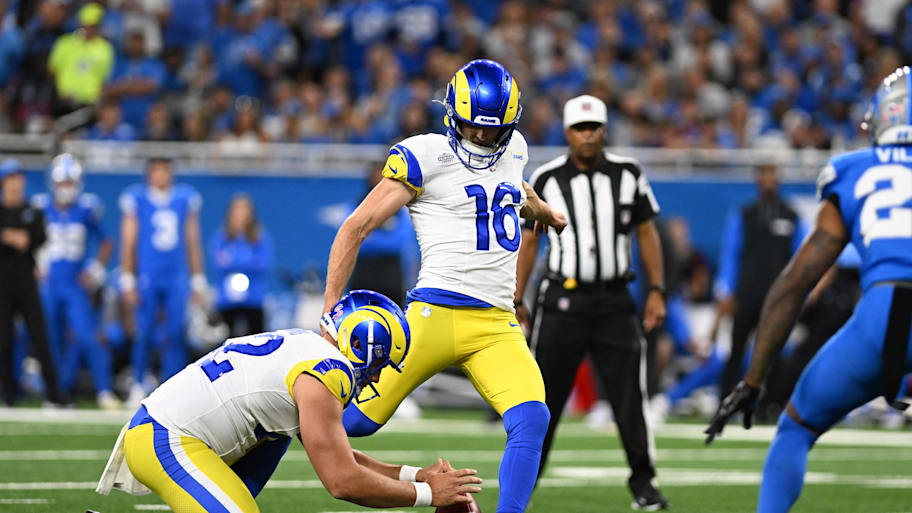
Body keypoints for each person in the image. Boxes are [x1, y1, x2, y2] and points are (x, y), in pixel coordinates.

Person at [322, 59, 567, 513]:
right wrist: (330, 307)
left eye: (491, 131)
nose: (480, 138)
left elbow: (517, 188)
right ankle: (254, 427)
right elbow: (356, 226)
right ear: (452, 116)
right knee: (348, 422)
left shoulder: (514, 152)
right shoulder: (424, 155)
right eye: (473, 127)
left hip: (496, 324)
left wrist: (544, 211)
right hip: (432, 317)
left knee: (533, 417)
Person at [705, 66, 912, 513]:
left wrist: (753, 380)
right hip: (885, 311)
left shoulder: (854, 170)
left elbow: (793, 285)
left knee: (795, 429)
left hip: (880, 317)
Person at [97, 289, 482, 510]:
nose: (378, 375)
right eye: (381, 363)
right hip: (168, 437)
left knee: (277, 435)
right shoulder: (328, 372)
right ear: (364, 344)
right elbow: (342, 480)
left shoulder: (309, 351)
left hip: (166, 432)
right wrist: (429, 495)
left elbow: (340, 455)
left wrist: (419, 476)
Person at [514, 94, 670, 511]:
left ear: (604, 130)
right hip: (562, 299)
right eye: (581, 128)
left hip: (615, 300)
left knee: (629, 397)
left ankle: (644, 484)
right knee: (542, 398)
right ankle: (523, 488)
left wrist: (657, 290)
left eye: (595, 127)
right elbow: (530, 241)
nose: (588, 135)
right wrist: (516, 297)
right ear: (567, 133)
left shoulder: (628, 173)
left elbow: (647, 232)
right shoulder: (546, 178)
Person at [712, 162, 808, 415]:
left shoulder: (791, 215)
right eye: (763, 173)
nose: (767, 178)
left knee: (776, 352)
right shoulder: (744, 214)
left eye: (771, 172)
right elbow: (731, 253)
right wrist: (726, 290)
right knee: (737, 350)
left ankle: (770, 405)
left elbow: (800, 257)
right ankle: (725, 401)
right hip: (747, 294)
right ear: (757, 178)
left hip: (777, 298)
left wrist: (798, 293)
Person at [33, 154, 119, 410]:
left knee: (86, 334)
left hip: (73, 282)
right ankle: (55, 393)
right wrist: (36, 266)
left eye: (71, 183)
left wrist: (94, 269)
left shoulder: (86, 209)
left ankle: (104, 390)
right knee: (49, 337)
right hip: (49, 282)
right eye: (63, 182)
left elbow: (106, 241)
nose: (67, 188)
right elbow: (32, 241)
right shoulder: (40, 207)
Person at [120, 158, 207, 407]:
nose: (161, 175)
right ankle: (138, 382)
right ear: (149, 174)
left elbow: (192, 239)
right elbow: (129, 240)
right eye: (156, 170)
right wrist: (128, 277)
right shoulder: (137, 199)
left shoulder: (183, 199)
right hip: (148, 274)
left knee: (177, 331)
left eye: (165, 170)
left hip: (175, 275)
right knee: (143, 331)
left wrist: (197, 278)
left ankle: (173, 386)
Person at [0, 158, 67, 406]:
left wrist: (11, 236)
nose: (15, 183)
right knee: (4, 340)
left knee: (40, 337)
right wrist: (8, 235)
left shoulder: (33, 211)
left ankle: (54, 393)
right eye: (10, 179)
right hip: (3, 284)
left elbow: (37, 238)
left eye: (18, 178)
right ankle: (8, 394)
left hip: (26, 281)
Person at [347, 161, 416, 306]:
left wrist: (369, 237)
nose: (379, 183)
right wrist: (375, 239)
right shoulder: (357, 205)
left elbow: (399, 242)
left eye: (383, 178)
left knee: (392, 322)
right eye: (375, 177)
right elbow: (350, 239)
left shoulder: (400, 208)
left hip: (390, 274)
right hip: (363, 272)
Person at [209, 193, 274, 338]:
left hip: (254, 300)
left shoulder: (260, 236)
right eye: (237, 209)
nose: (241, 213)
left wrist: (234, 260)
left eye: (245, 209)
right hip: (227, 302)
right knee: (227, 343)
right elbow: (219, 262)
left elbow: (263, 264)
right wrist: (248, 260)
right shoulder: (221, 236)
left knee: (256, 342)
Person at [47, 3, 114, 110]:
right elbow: (52, 70)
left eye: (93, 26)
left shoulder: (105, 48)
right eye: (86, 25)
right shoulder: (65, 43)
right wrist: (61, 91)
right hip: (62, 102)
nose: (89, 29)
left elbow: (105, 78)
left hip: (89, 104)